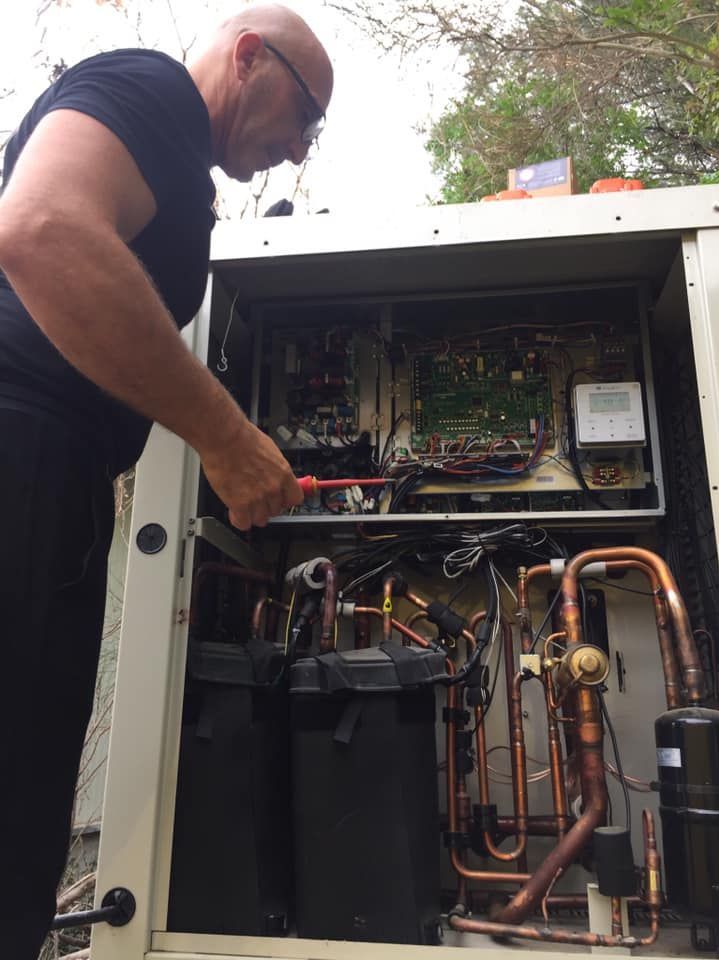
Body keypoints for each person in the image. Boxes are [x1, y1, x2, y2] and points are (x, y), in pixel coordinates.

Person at [0, 4, 332, 956]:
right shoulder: (146, 85)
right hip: (23, 454)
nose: (299, 149)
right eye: (304, 122)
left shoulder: (180, 160)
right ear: (249, 58)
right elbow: (41, 227)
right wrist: (225, 440)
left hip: (49, 476)